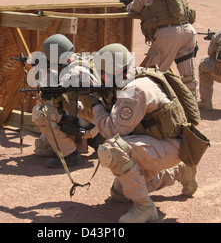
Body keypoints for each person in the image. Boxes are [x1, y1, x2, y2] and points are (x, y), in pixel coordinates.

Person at [77, 44, 209, 223]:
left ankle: (145, 207)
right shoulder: (129, 77)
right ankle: (179, 171)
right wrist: (79, 109)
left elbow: (113, 130)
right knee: (120, 193)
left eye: (101, 73)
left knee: (113, 149)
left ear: (113, 71)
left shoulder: (134, 90)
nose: (99, 78)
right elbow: (110, 118)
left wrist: (94, 106)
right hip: (159, 142)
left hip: (168, 146)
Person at [124, 0, 199, 97]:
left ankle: (154, 104)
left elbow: (134, 9)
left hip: (168, 34)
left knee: (153, 73)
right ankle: (192, 102)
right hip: (188, 31)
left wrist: (128, 4)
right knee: (187, 73)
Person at [31, 34, 103, 168]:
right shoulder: (82, 60)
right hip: (98, 119)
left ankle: (70, 155)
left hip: (88, 121)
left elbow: (65, 101)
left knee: (41, 113)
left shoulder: (73, 73)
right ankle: (96, 140)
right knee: (41, 148)